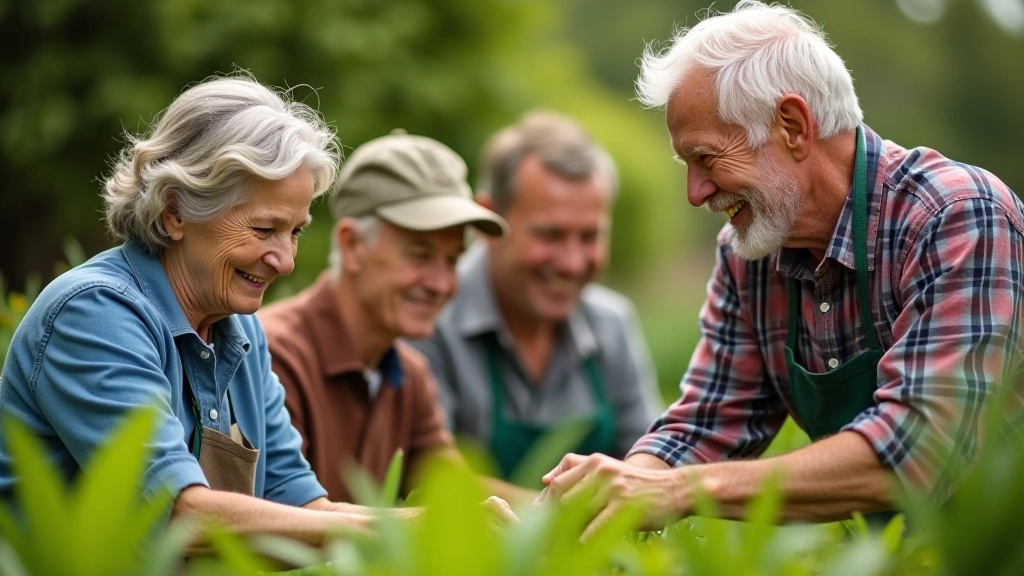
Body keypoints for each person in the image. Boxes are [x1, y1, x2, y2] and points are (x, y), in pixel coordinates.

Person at [540, 0, 1024, 538]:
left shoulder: (956, 216)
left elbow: (921, 450)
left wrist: (673, 491)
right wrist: (604, 496)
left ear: (792, 126)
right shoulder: (748, 252)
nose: (695, 192)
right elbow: (709, 421)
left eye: (706, 158)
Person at [0, 75, 514, 545]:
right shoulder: (95, 312)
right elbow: (179, 513)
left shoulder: (238, 330)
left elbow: (302, 505)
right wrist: (406, 526)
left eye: (295, 231)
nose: (285, 261)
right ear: (176, 210)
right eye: (264, 230)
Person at [259, 131, 532, 504]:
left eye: (452, 260)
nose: (441, 283)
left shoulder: (409, 374)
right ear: (352, 245)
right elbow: (286, 521)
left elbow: (457, 491)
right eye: (419, 254)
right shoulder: (271, 356)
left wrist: (575, 505)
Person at [410, 111, 662, 482]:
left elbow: (647, 463)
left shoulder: (612, 323)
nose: (573, 263)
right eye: (550, 235)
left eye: (590, 236)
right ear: (488, 221)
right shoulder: (429, 319)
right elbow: (435, 479)